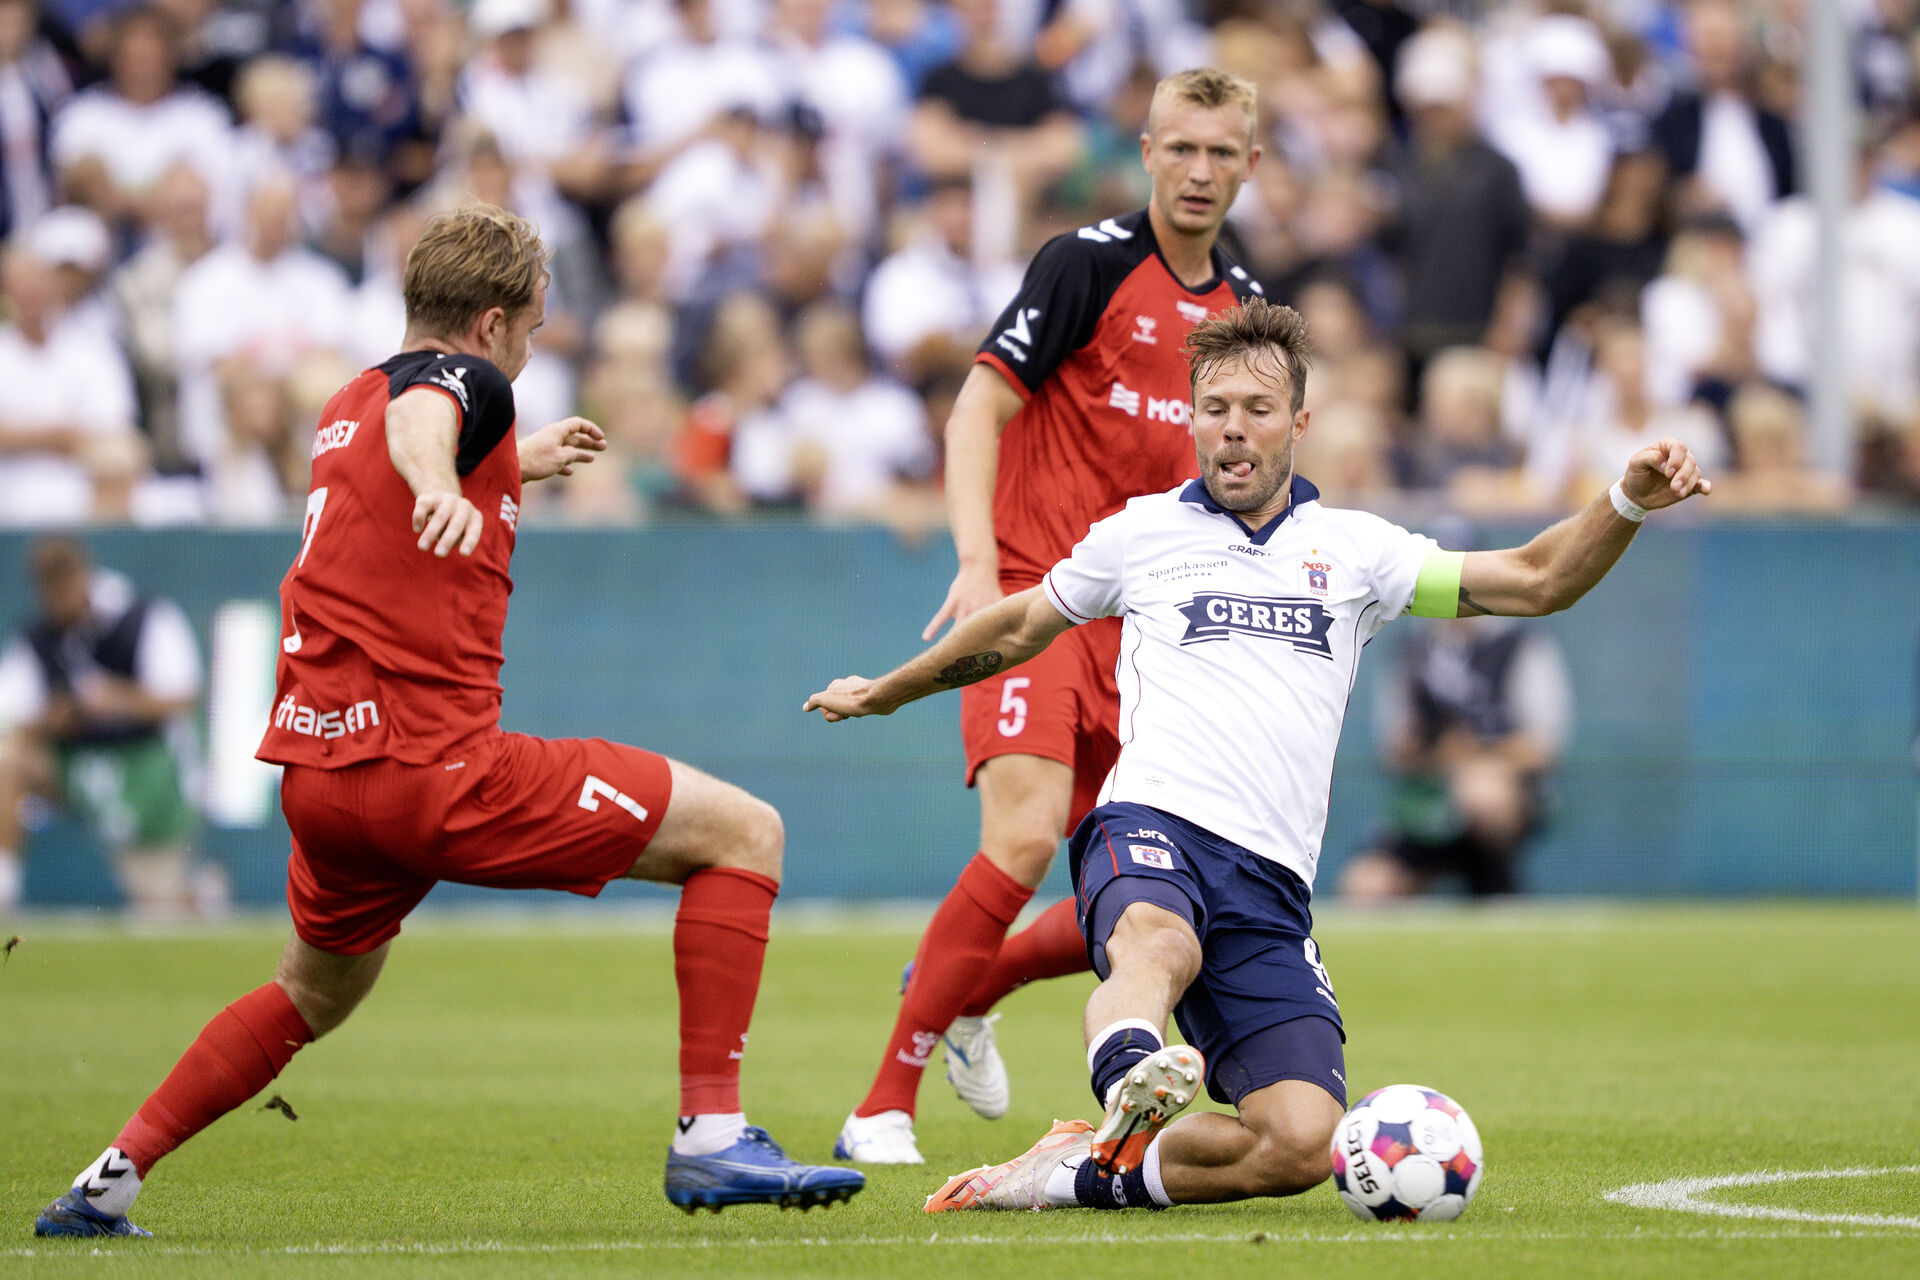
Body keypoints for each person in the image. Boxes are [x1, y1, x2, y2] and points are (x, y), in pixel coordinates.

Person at [32, 204, 863, 1239]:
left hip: (323, 781)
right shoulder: (461, 383)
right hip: (432, 768)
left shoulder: (347, 399)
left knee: (310, 992)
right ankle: (712, 1134)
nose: (533, 346)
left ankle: (106, 1181)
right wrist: (443, 477)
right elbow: (429, 421)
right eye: (534, 328)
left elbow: (405, 447)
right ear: (489, 322)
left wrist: (511, 461)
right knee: (746, 831)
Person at [805, 297, 1710, 1212]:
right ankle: (1129, 1070)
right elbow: (1021, 624)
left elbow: (1536, 579)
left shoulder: (1359, 551)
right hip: (1149, 824)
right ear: (1194, 418)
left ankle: (1077, 1172)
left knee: (1301, 1143)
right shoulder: (1143, 532)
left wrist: (1627, 499)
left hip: (1273, 883)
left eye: (1258, 409)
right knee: (1157, 947)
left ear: (1299, 424)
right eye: (1215, 408)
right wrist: (890, 689)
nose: (1234, 429)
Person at [831, 66, 1266, 1166]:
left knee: (1151, 882)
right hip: (1037, 589)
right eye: (1181, 148)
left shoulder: (1240, 312)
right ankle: (882, 1100)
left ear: (1250, 166)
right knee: (1025, 837)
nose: (1200, 170)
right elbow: (980, 403)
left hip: (1147, 628)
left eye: (1222, 152)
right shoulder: (1086, 264)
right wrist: (979, 561)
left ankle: (976, 987)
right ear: (1148, 149)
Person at [0, 537, 206, 916]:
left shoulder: (144, 616)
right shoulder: (36, 637)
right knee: (7, 758)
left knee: (162, 907)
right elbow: (14, 719)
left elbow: (183, 694)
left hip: (146, 772)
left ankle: (198, 891)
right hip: (76, 770)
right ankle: (4, 887)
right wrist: (55, 717)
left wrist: (118, 700)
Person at [1338, 610, 1572, 901]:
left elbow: (1542, 749)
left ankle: (1495, 887)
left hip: (1501, 800)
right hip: (1425, 803)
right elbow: (1395, 751)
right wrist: (1439, 752)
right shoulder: (1414, 649)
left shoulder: (1522, 645)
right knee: (1366, 884)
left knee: (1480, 791)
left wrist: (1476, 755)